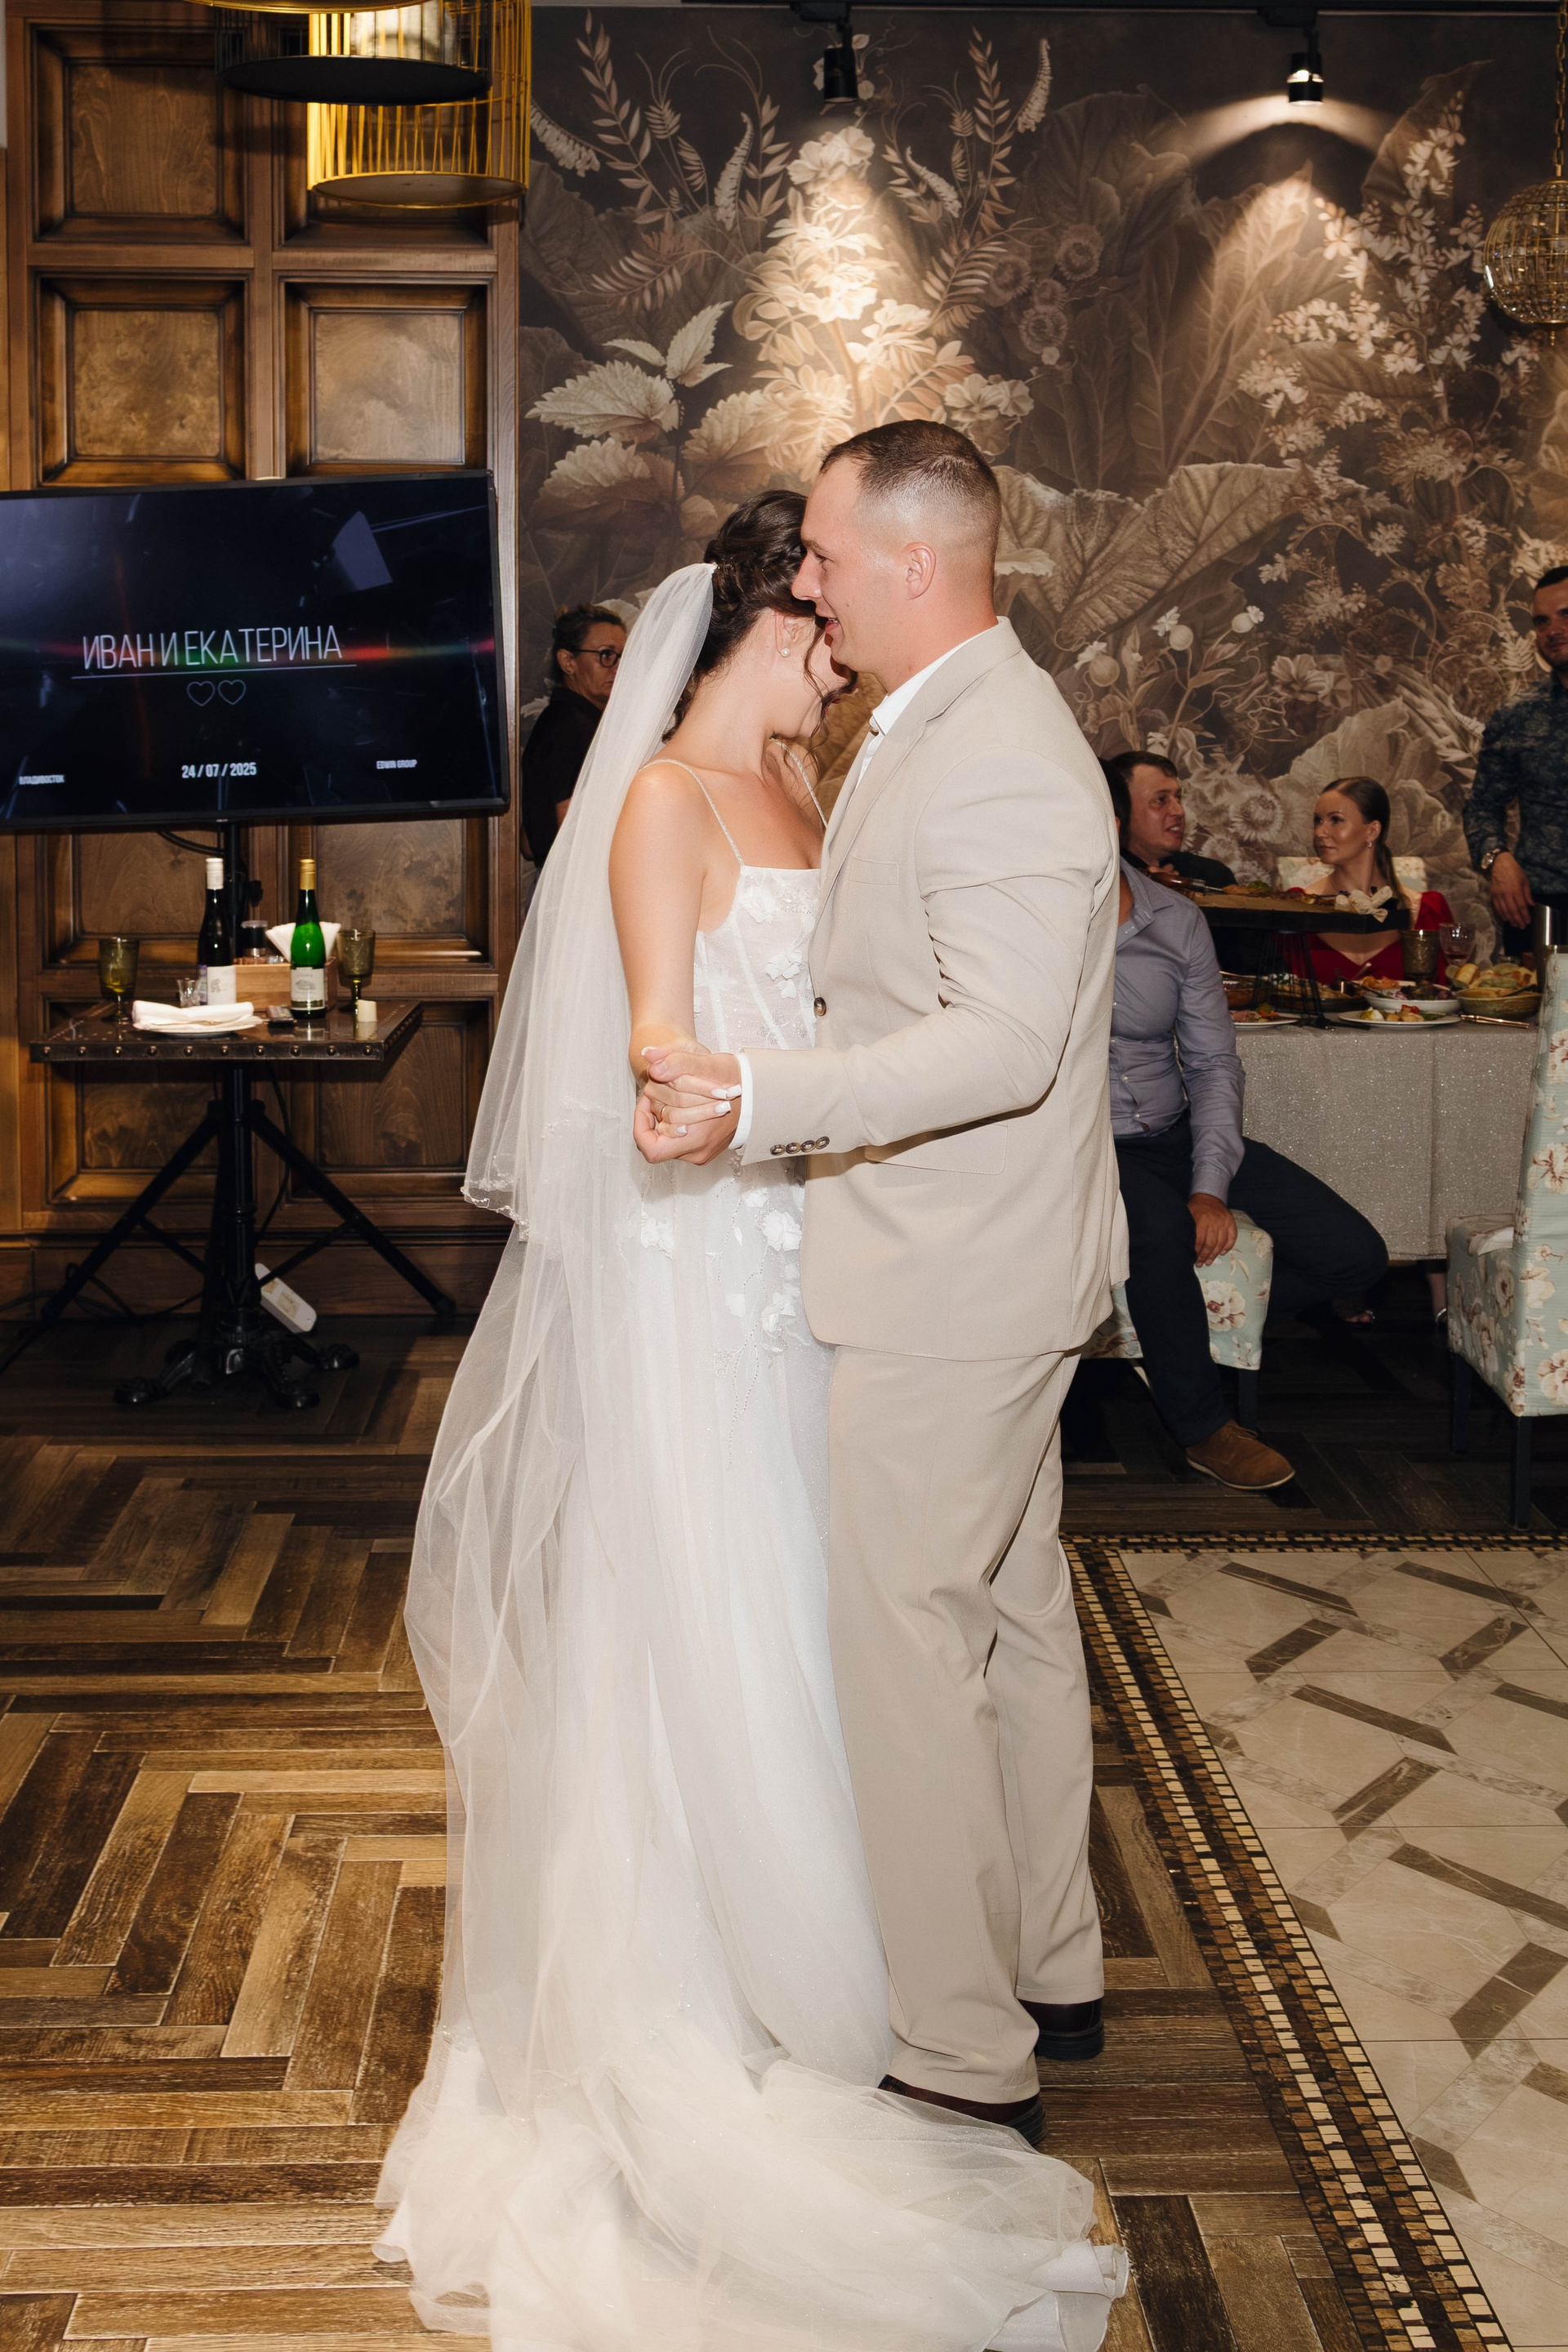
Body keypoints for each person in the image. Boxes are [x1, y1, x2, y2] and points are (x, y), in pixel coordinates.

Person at [373, 490, 1126, 2352]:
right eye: (814, 628)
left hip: (852, 1257)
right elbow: (653, 1028)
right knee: (763, 1597)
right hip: (719, 1263)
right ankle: (796, 1964)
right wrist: (680, 1077)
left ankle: (942, 1954)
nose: (837, 662)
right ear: (749, 626)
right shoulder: (663, 799)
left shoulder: (823, 786)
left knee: (884, 1608)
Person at [644, 422, 1125, 2147]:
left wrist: (761, 1098)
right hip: (983, 1261)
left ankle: (962, 2049)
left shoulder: (996, 754)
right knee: (1012, 1617)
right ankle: (1052, 1967)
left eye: (830, 557)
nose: (810, 584)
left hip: (954, 1279)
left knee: (907, 1646)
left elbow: (997, 1046)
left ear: (917, 564)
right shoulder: (946, 720)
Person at [1105, 768, 1389, 1487]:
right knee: (1161, 1232)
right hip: (1093, 1144)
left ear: (1109, 825)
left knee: (1354, 1256)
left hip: (1175, 1129)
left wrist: (1209, 1185)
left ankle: (1171, 1334)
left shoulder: (1177, 920)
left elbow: (1212, 1065)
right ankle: (1203, 1428)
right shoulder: (1035, 927)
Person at [1466, 564, 1568, 954]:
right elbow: (1481, 806)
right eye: (1542, 621)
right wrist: (1497, 859)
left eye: (1566, 615)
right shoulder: (1518, 714)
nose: (1553, 630)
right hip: (1543, 909)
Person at [1305, 775, 1453, 986]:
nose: (1320, 832)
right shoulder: (1298, 909)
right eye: (1317, 820)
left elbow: (1446, 993)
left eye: (1335, 820)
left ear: (1372, 831)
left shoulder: (1427, 912)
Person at [519, 603, 626, 865]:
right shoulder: (569, 724)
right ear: (568, 662)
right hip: (573, 879)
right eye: (606, 655)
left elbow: (528, 842)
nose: (617, 667)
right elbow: (567, 826)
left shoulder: (571, 719)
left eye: (624, 656)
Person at [1102, 749, 1234, 887]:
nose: (1179, 811)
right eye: (1160, 800)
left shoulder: (1212, 876)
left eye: (1178, 797)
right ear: (1122, 808)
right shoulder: (1102, 879)